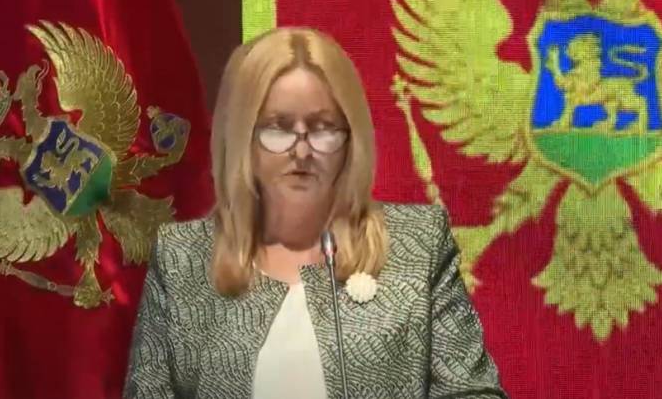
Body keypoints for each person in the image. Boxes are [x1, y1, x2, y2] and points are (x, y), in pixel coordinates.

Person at [123, 27, 506, 399]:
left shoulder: (418, 245)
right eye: (278, 128)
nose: (302, 151)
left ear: (350, 139)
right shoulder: (181, 258)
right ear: (241, 137)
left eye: (323, 128)